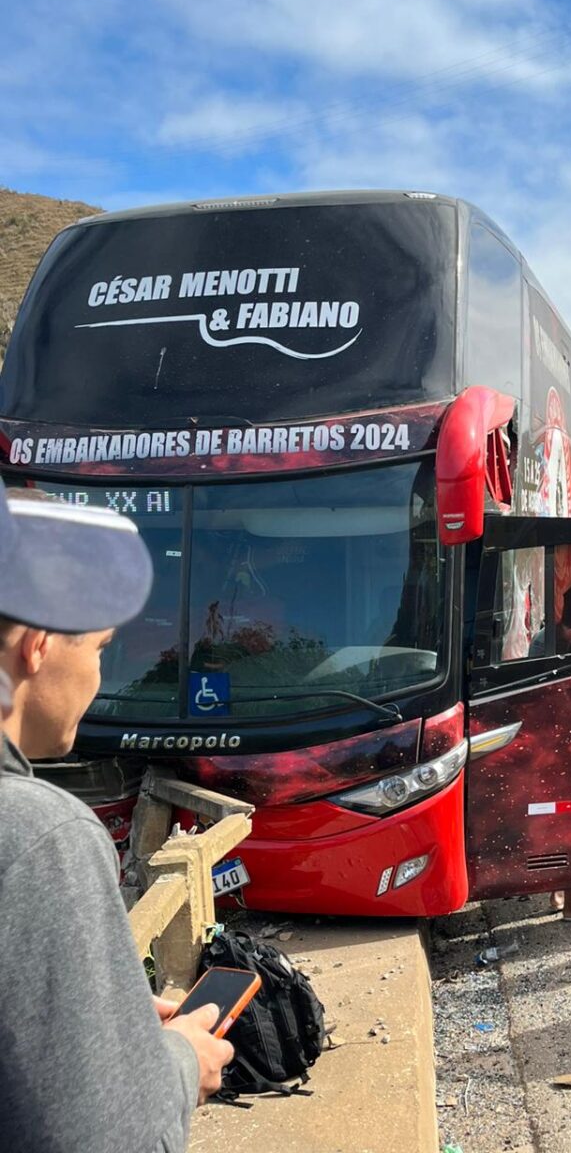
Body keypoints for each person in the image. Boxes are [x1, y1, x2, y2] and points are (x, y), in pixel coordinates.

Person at [0, 485, 234, 1153]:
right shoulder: (38, 838)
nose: (99, 677)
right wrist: (180, 1059)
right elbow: (109, 1136)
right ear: (38, 645)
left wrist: (111, 1036)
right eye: (101, 647)